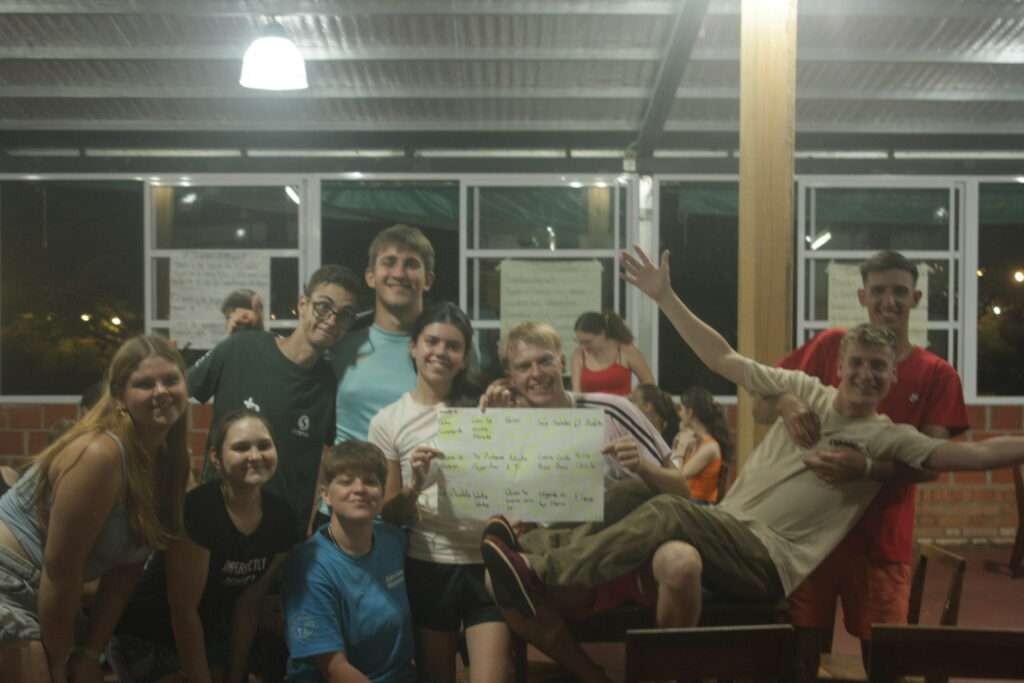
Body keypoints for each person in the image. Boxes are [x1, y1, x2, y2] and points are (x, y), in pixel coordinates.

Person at [479, 245, 1024, 683]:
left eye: (878, 369)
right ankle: (534, 548)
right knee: (634, 492)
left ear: (891, 377)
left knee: (671, 508)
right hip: (732, 530)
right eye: (857, 363)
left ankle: (547, 574)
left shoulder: (889, 437)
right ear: (839, 366)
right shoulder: (804, 389)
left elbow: (970, 453)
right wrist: (666, 297)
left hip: (768, 561)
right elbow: (722, 357)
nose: (866, 374)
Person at [752, 249, 968, 663]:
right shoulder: (831, 347)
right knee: (798, 657)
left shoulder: (938, 374)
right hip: (808, 536)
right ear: (862, 296)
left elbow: (933, 465)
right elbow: (760, 408)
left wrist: (867, 469)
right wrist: (786, 403)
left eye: (899, 292)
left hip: (881, 541)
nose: (889, 301)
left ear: (916, 298)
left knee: (885, 660)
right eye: (879, 290)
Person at [0, 335, 192, 683]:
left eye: (170, 380)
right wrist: (61, 663)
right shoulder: (101, 454)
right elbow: (61, 572)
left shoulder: (171, 465)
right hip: (9, 577)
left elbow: (126, 569)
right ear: (119, 396)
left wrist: (90, 652)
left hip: (46, 591)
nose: (161, 391)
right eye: (145, 384)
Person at [369, 302, 511, 683]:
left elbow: (516, 478)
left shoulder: (485, 408)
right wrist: (415, 485)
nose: (440, 353)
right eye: (432, 341)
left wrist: (505, 419)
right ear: (413, 346)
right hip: (428, 564)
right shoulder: (388, 421)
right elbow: (390, 512)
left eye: (453, 346)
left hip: (487, 560)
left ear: (464, 358)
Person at [109, 409, 301, 683]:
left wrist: (237, 676)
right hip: (149, 634)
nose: (255, 455)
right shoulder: (197, 510)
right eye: (241, 447)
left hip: (212, 635)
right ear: (215, 457)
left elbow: (248, 604)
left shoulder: (282, 519)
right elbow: (183, 611)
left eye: (264, 445)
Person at [189, 265, 361, 535]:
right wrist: (184, 481)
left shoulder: (330, 382)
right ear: (303, 304)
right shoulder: (241, 347)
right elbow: (174, 399)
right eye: (323, 307)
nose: (332, 320)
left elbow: (319, 458)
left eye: (345, 315)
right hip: (218, 522)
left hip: (284, 535)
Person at [282, 441, 432, 683]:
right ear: (325, 495)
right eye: (346, 481)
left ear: (382, 493)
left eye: (371, 481)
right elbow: (335, 669)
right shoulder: (310, 566)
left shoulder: (392, 540)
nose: (360, 489)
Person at [332, 225, 435, 446]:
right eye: (389, 262)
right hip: (351, 467)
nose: (399, 274)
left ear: (428, 280)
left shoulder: (447, 350)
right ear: (370, 277)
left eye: (411, 264)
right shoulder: (340, 344)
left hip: (421, 467)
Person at [571, 310, 654, 395]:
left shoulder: (626, 350)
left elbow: (649, 382)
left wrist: (634, 397)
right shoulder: (579, 354)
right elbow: (576, 393)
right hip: (588, 404)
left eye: (588, 342)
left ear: (603, 333)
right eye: (580, 342)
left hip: (621, 403)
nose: (584, 347)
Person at [672, 386, 732, 504]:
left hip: (697, 505)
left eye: (681, 409)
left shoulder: (710, 447)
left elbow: (677, 478)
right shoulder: (693, 441)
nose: (679, 413)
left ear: (690, 413)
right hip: (685, 502)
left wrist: (680, 449)